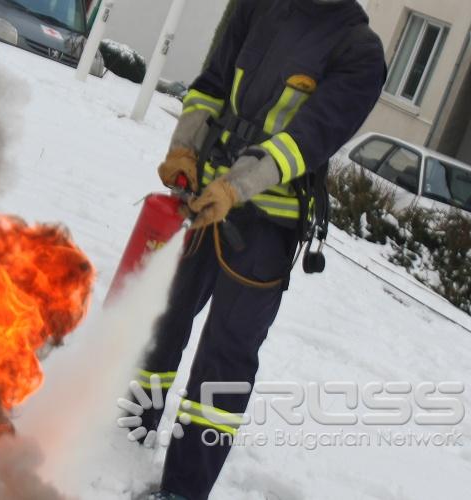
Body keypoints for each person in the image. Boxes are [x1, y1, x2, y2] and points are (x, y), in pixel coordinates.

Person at [136, 1, 387, 499]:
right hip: (202, 198)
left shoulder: (360, 52)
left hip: (264, 229)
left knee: (224, 359)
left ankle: (183, 489)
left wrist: (237, 186)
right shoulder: (258, 5)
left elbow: (305, 141)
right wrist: (185, 147)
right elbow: (211, 84)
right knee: (159, 319)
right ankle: (128, 430)